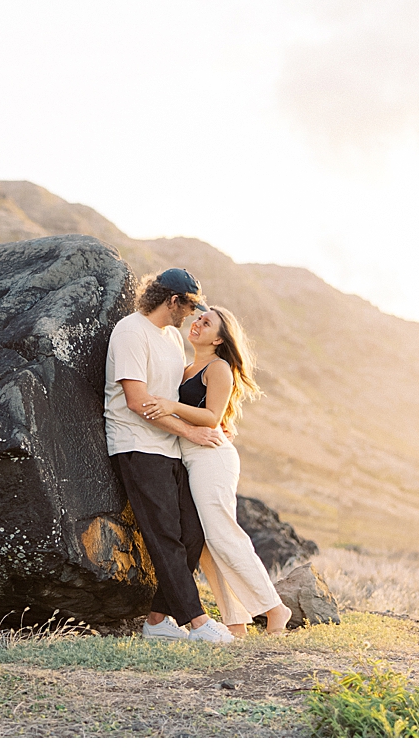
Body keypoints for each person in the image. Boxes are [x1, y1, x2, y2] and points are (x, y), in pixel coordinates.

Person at [142, 305, 293, 637]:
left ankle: (275, 609)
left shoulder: (218, 366)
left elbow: (211, 417)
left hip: (212, 457)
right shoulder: (185, 369)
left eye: (206, 323)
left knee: (223, 535)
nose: (197, 323)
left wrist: (170, 406)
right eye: (198, 319)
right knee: (207, 547)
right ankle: (235, 622)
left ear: (221, 337)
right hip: (190, 459)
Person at [104, 268, 234, 644]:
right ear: (172, 301)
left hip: (170, 447)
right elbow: (136, 400)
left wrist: (215, 421)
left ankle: (158, 620)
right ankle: (197, 621)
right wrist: (191, 431)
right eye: (190, 306)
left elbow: (180, 398)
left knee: (192, 532)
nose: (193, 315)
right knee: (164, 535)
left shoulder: (173, 340)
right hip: (136, 446)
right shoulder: (131, 332)